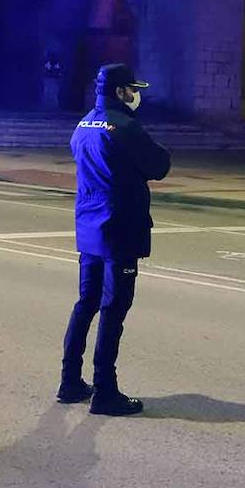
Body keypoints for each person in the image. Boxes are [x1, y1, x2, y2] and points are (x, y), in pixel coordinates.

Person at [57, 63, 171, 416]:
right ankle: (105, 390)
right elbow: (158, 166)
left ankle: (70, 381)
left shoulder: (83, 124)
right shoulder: (124, 126)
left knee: (86, 303)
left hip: (89, 227)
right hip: (119, 228)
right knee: (113, 310)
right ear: (121, 92)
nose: (136, 96)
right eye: (132, 90)